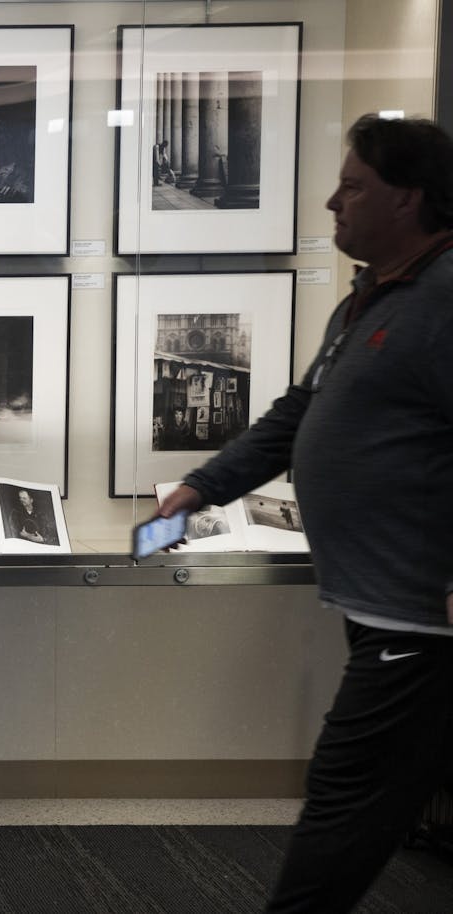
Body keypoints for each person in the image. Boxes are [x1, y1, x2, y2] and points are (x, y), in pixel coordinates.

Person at [154, 114, 453, 914]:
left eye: (353, 186)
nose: (331, 201)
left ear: (410, 198)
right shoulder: (371, 296)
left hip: (427, 618)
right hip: (384, 603)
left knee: (347, 791)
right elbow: (296, 415)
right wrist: (200, 488)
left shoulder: (447, 296)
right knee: (376, 789)